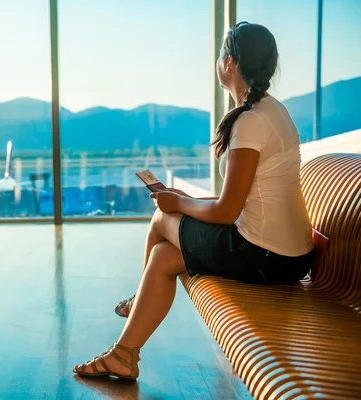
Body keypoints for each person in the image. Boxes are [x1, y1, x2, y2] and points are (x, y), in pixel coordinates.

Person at [73, 22, 315, 380]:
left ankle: (137, 307)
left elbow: (229, 211)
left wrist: (178, 205)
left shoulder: (251, 121)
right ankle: (124, 353)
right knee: (165, 256)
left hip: (266, 256)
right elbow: (245, 198)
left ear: (229, 64)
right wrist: (186, 199)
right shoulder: (273, 111)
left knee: (161, 221)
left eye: (220, 55)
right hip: (288, 256)